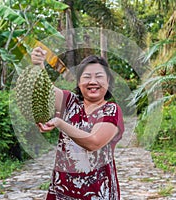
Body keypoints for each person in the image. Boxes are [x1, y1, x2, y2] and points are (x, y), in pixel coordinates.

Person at [31, 47, 124, 199]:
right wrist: (39, 64)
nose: (93, 82)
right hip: (62, 191)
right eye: (87, 76)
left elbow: (93, 142)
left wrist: (60, 124)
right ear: (79, 82)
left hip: (97, 193)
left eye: (99, 76)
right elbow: (46, 89)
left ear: (108, 81)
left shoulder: (111, 110)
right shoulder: (70, 102)